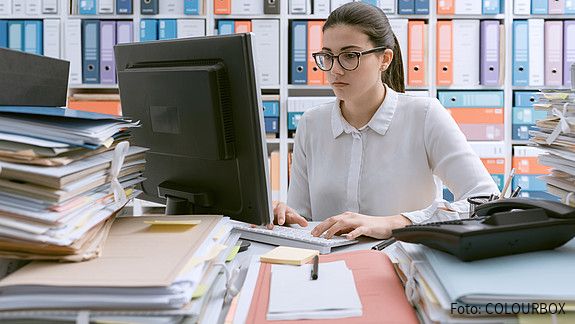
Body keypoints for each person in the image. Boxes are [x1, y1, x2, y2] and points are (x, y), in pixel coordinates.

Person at [272, 2, 499, 240]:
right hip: (328, 267)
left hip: (403, 261)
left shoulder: (425, 115)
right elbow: (303, 220)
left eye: (350, 56)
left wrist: (396, 223)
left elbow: (486, 200)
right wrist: (285, 217)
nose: (335, 70)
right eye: (328, 56)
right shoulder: (311, 124)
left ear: (385, 59)